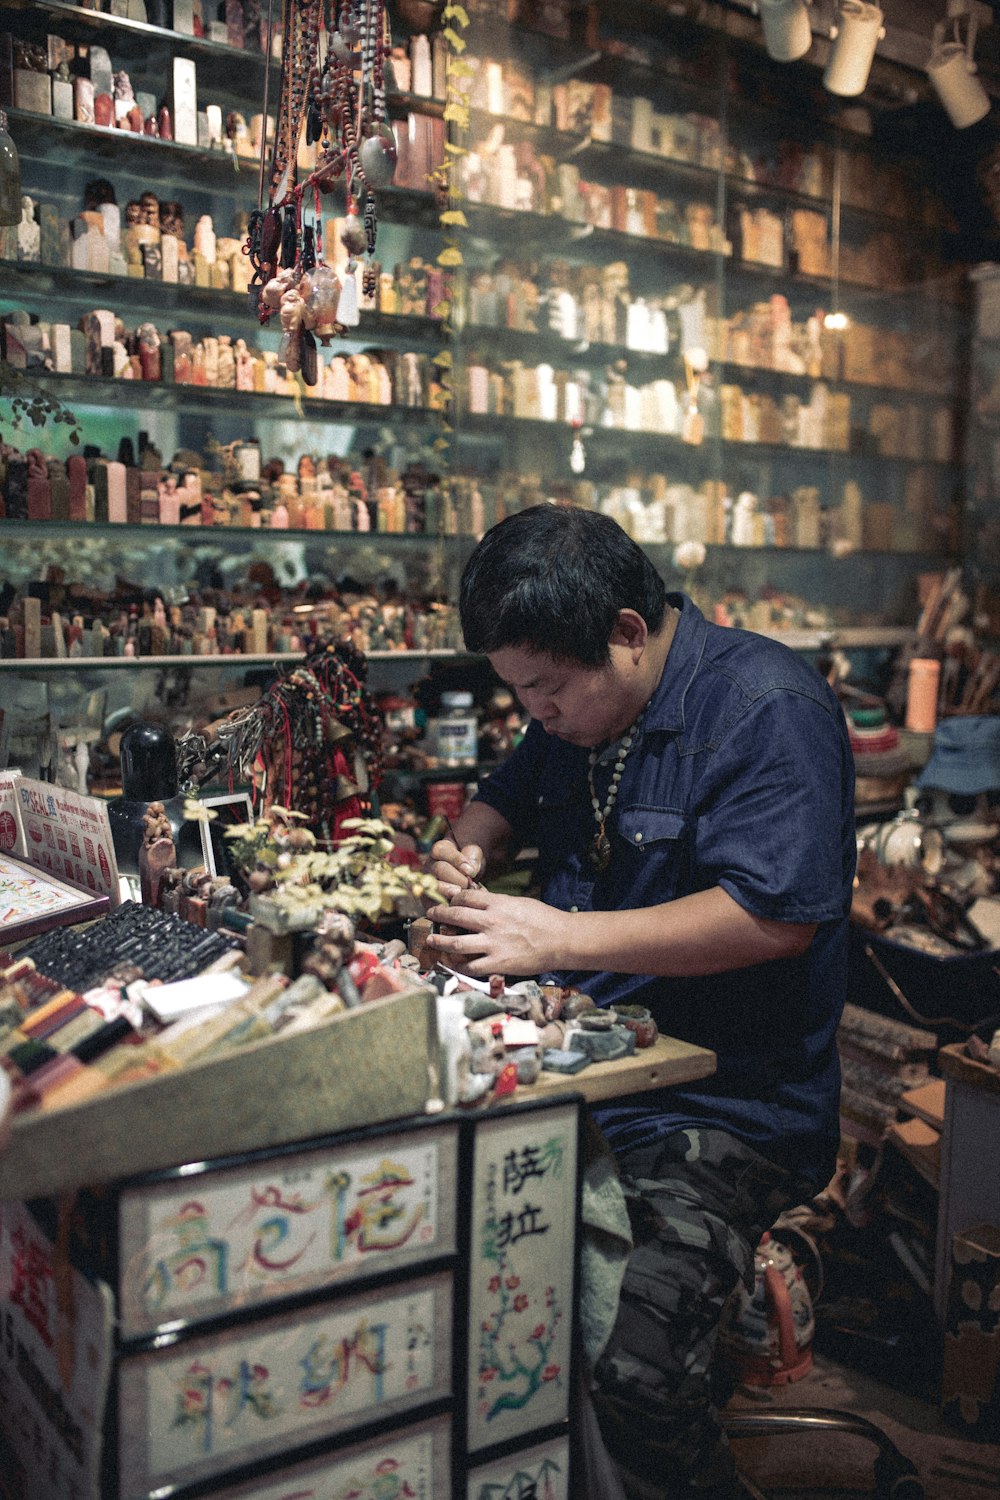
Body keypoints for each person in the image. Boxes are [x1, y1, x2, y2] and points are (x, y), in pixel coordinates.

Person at [425, 505, 856, 1500]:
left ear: (625, 631)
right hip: (597, 1065)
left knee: (636, 1376)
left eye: (545, 687)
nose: (537, 711)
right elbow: (507, 791)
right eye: (517, 689)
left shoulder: (763, 706)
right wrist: (467, 851)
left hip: (729, 1107)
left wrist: (557, 938)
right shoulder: (583, 713)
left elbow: (772, 917)